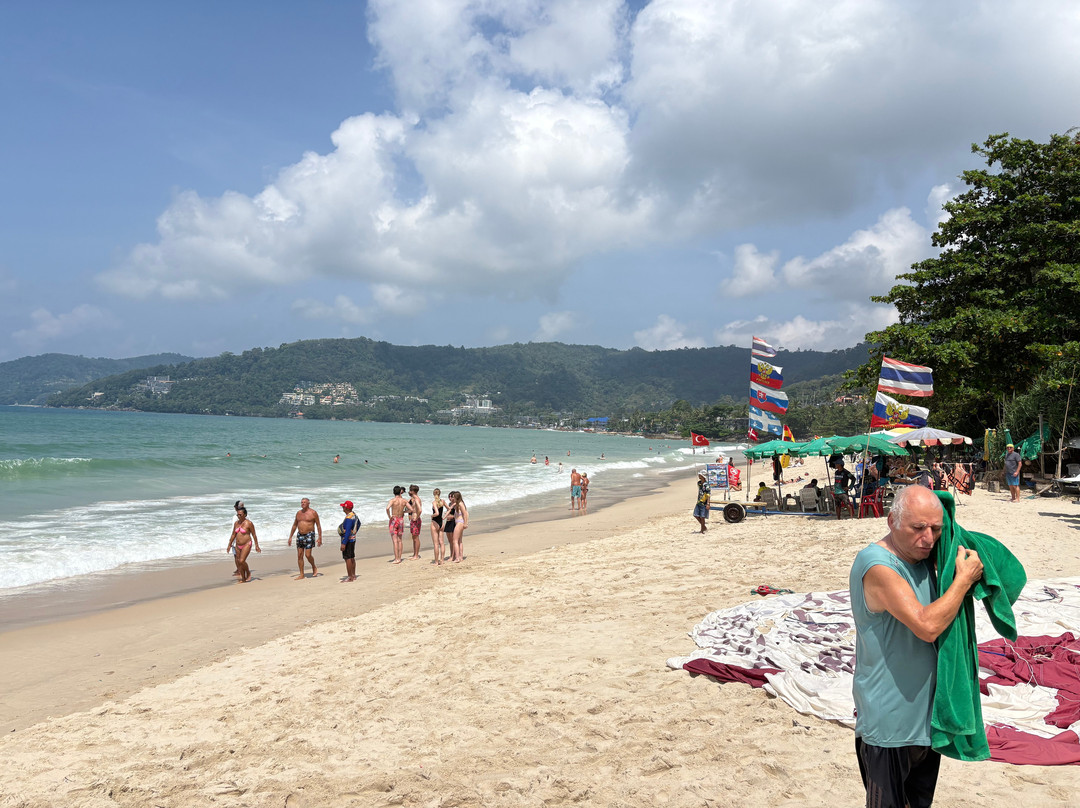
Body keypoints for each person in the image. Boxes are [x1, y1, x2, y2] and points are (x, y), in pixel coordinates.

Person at [849, 485, 984, 808]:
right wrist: (963, 581)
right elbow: (927, 626)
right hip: (889, 725)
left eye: (936, 529)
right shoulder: (878, 566)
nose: (928, 538)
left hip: (925, 721)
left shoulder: (922, 558)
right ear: (891, 521)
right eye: (918, 528)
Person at [287, 497, 323, 580]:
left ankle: (313, 566)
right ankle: (301, 574)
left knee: (308, 555)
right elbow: (294, 525)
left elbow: (318, 525)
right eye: (301, 502)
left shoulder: (313, 513)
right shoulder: (298, 513)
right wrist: (290, 537)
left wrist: (320, 537)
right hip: (300, 535)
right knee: (299, 555)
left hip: (309, 534)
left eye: (304, 502)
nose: (302, 503)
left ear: (308, 503)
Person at [226, 506, 260, 583]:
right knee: (238, 562)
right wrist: (229, 545)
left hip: (247, 544)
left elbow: (254, 535)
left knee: (241, 561)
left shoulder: (249, 523)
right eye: (237, 515)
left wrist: (257, 545)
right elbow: (233, 535)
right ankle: (243, 579)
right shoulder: (236, 523)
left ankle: (248, 572)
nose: (239, 516)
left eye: (240, 514)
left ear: (245, 515)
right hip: (237, 545)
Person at [386, 486, 409, 564]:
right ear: (400, 492)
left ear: (393, 492)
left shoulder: (392, 500)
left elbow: (387, 508)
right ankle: (400, 558)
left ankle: (396, 559)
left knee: (395, 541)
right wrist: (403, 512)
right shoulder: (404, 500)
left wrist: (389, 516)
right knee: (400, 540)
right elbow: (411, 509)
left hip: (394, 519)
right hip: (401, 520)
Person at [338, 500, 360, 581]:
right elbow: (359, 524)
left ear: (346, 508)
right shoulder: (354, 515)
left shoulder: (348, 518)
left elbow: (347, 532)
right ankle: (353, 575)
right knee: (352, 557)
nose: (342, 508)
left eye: (343, 507)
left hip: (347, 540)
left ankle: (350, 577)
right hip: (353, 539)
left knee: (348, 559)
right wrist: (354, 532)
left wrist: (344, 543)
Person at [446, 490, 468, 563]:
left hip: (460, 522)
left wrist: (465, 523)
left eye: (453, 497)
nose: (452, 498)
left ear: (456, 497)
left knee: (455, 540)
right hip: (459, 522)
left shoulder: (460, 504)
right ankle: (460, 557)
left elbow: (465, 514)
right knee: (459, 541)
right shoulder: (458, 504)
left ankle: (457, 558)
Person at [430, 488, 446, 565]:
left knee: (436, 544)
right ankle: (442, 560)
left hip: (435, 523)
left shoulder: (434, 502)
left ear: (434, 494)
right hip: (441, 523)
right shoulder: (443, 501)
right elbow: (449, 509)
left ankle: (436, 561)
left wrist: (432, 515)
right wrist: (444, 517)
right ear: (440, 494)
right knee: (442, 543)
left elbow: (436, 513)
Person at [407, 485, 423, 560]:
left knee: (416, 538)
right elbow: (412, 510)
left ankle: (416, 555)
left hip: (416, 520)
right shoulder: (414, 499)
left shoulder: (416, 499)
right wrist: (403, 512)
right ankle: (415, 554)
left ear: (413, 491)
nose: (409, 492)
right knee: (414, 537)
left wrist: (416, 517)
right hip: (414, 519)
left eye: (410, 490)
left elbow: (420, 510)